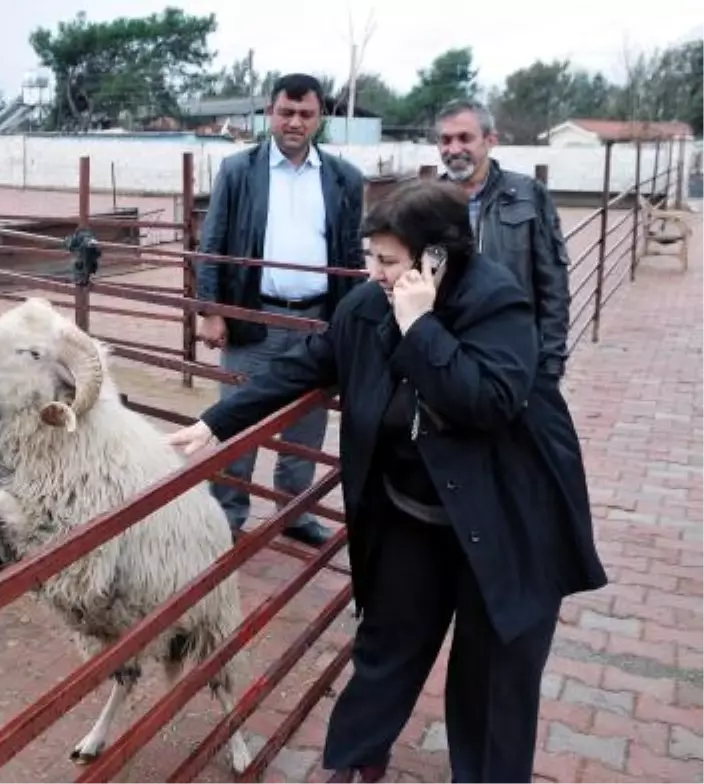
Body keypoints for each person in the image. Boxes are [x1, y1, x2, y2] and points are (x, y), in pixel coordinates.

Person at [169, 180, 607, 783]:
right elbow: (311, 362)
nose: (371, 271)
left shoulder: (497, 304)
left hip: (503, 521)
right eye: (369, 256)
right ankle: (351, 764)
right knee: (386, 647)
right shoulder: (370, 303)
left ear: (435, 258)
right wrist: (218, 421)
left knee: (493, 676)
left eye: (386, 260)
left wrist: (422, 325)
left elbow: (487, 401)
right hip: (415, 514)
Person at [195, 72, 365, 547]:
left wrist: (350, 322)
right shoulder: (238, 170)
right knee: (236, 416)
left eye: (305, 114)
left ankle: (295, 511)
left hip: (317, 320)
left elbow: (350, 253)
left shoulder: (344, 178)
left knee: (306, 426)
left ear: (319, 118)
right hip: (255, 317)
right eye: (286, 112)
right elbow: (213, 244)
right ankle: (226, 516)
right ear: (270, 112)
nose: (294, 122)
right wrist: (211, 310)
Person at [435, 98, 571, 382]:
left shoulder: (528, 194)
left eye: (465, 138)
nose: (454, 149)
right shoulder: (426, 201)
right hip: (449, 349)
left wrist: (551, 361)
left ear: (490, 140)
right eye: (445, 140)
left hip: (514, 349)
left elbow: (553, 284)